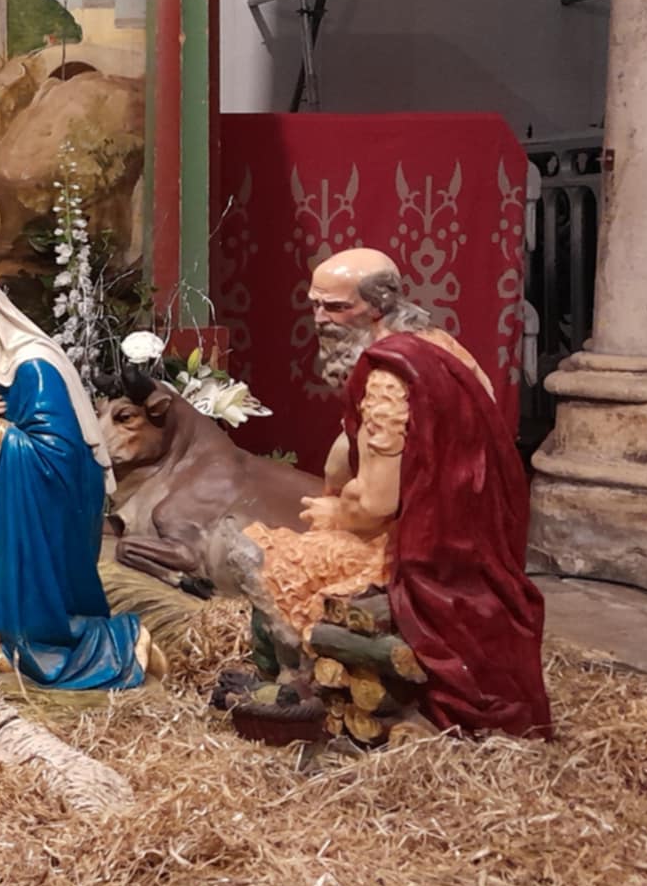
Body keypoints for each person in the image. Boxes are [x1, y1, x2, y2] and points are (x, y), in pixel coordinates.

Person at [224, 247, 550, 739]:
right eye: (315, 304)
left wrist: (337, 513)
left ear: (377, 306)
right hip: (464, 534)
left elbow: (376, 504)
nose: (321, 319)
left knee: (255, 552)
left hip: (418, 550)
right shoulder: (437, 344)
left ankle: (292, 687)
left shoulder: (388, 378)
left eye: (337, 307)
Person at [0, 255, 150, 691]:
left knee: (34, 638)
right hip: (4, 499)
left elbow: (58, 455)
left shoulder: (33, 367)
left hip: (45, 507)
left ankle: (121, 643)